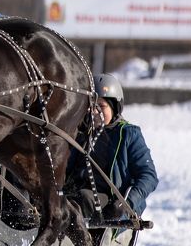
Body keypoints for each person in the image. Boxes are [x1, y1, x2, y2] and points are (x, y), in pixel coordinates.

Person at [67, 73, 159, 221]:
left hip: (109, 201)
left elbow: (148, 176)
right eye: (91, 106)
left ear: (115, 107)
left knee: (83, 198)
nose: (95, 112)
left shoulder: (128, 134)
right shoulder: (80, 134)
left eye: (101, 106)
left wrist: (126, 203)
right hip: (75, 192)